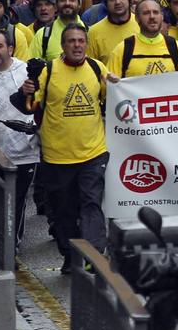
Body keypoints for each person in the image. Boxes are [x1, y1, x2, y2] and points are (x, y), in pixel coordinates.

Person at [15, 23, 108, 274]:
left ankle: (95, 253)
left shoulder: (97, 68)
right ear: (63, 46)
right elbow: (29, 107)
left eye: (81, 41)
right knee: (63, 212)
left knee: (91, 202)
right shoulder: (50, 71)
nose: (77, 45)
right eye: (71, 41)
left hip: (93, 152)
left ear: (86, 44)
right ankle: (70, 254)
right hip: (57, 157)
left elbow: (115, 98)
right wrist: (26, 92)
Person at [0, 29, 39, 246]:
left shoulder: (27, 74)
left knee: (17, 202)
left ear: (10, 49)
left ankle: (12, 247)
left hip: (25, 154)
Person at [104, 0, 178, 79]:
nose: (152, 17)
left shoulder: (176, 48)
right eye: (146, 13)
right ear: (137, 18)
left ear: (162, 17)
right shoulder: (122, 50)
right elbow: (109, 87)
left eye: (155, 12)